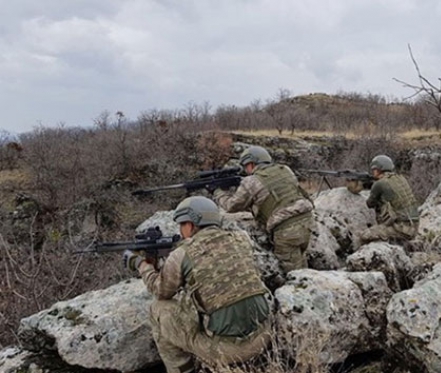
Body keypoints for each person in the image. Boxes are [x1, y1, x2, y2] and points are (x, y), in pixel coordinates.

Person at [123, 196, 271, 373]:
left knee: (158, 309)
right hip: (264, 336)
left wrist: (143, 265)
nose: (180, 229)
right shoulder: (242, 239)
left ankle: (183, 369)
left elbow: (161, 291)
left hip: (227, 351)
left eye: (182, 224)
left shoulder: (181, 254)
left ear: (191, 225)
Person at [213, 146, 314, 275]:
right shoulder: (285, 169)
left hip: (286, 230)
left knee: (292, 273)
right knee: (300, 261)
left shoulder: (251, 181)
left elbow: (231, 206)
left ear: (250, 163)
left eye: (246, 166)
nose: (245, 170)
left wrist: (218, 192)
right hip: (307, 221)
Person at [356, 155, 420, 247]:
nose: (373, 172)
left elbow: (370, 204)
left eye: (374, 169)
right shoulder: (401, 178)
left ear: (378, 169)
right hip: (414, 227)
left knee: (363, 236)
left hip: (401, 228)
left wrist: (369, 187)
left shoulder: (380, 183)